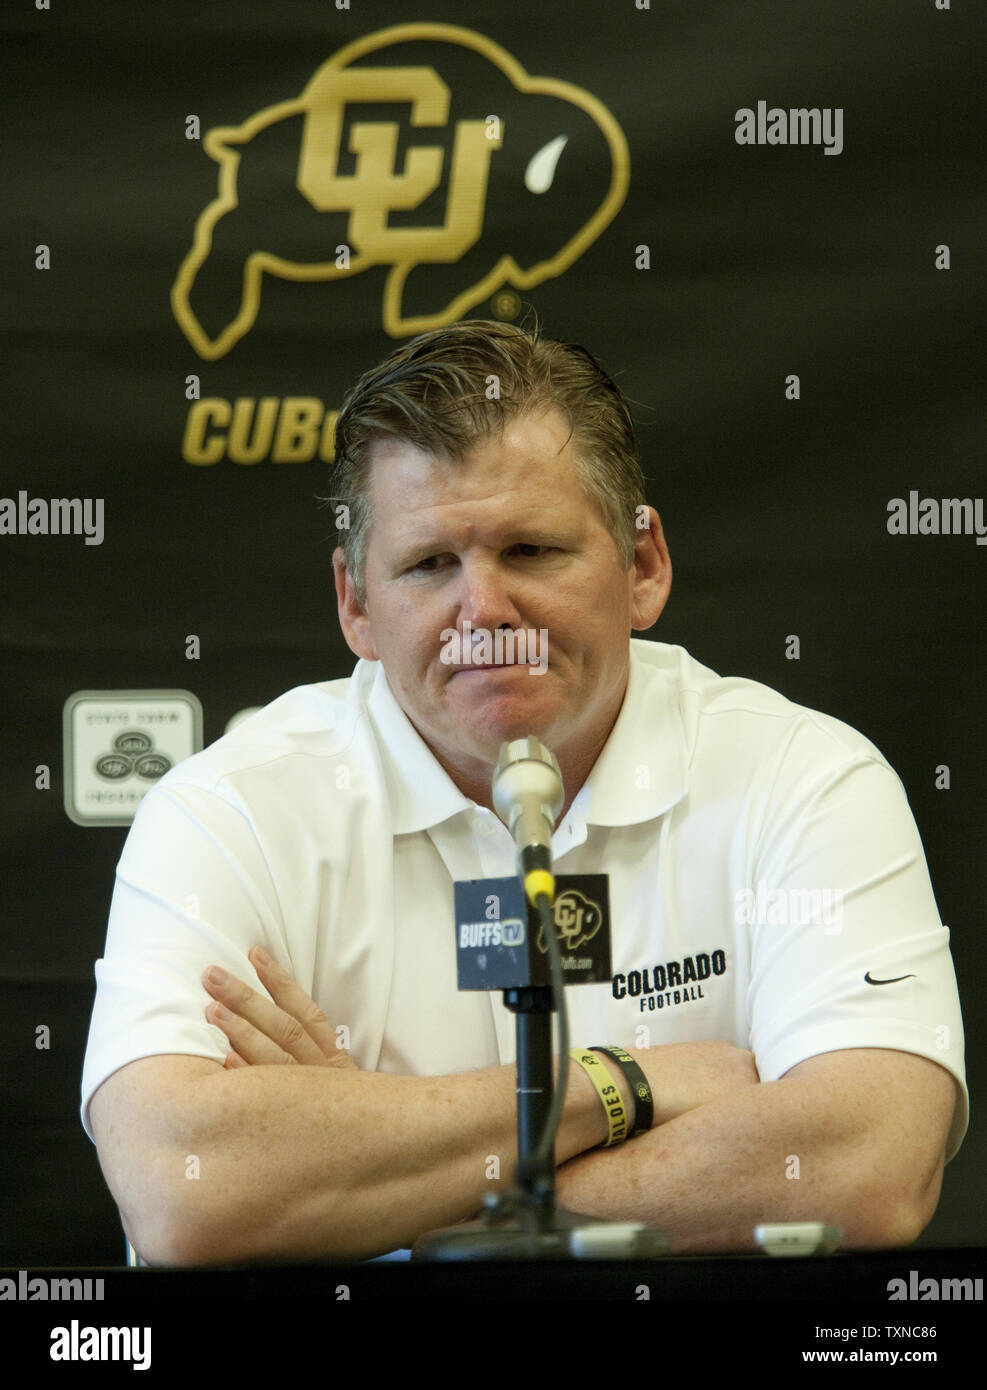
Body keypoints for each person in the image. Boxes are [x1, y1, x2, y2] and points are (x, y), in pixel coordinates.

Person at [82, 319, 967, 1267]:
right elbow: (185, 1191)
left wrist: (363, 1188)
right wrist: (628, 1085)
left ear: (642, 566)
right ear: (354, 603)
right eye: (428, 565)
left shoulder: (801, 776)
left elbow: (868, 1162)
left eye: (532, 550)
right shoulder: (229, 811)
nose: (484, 612)